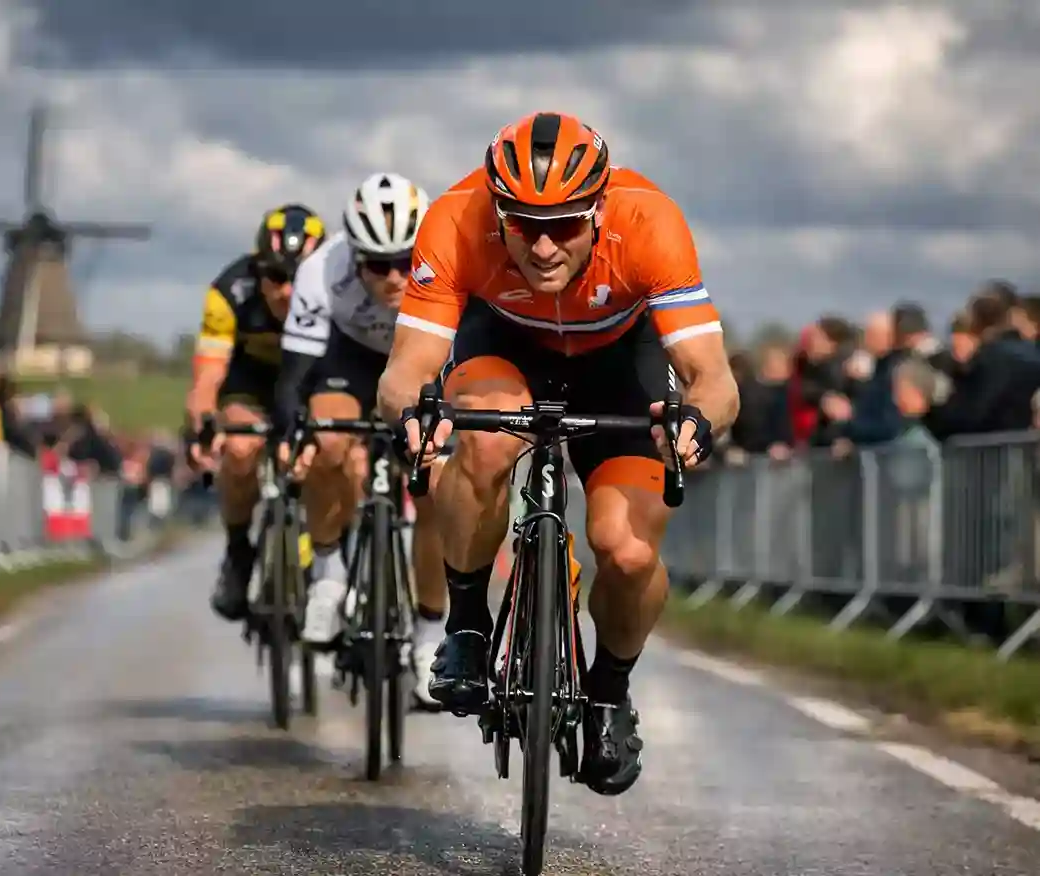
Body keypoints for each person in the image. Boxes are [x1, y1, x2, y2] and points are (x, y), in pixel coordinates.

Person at [377, 111, 738, 795]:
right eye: (523, 225)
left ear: (600, 208)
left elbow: (714, 377)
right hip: (504, 343)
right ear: (497, 211)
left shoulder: (650, 220)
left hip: (617, 360)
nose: (543, 247)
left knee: (627, 551)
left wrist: (697, 420)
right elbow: (404, 370)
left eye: (566, 225)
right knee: (482, 440)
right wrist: (413, 417)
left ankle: (608, 692)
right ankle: (467, 626)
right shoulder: (455, 218)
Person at [271, 173, 449, 708]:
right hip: (348, 359)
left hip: (422, 354)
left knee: (438, 485)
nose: (394, 277)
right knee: (326, 440)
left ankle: (428, 638)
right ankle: (327, 573)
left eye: (404, 261)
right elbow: (294, 376)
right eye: (378, 265)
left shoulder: (448, 265)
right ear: (353, 255)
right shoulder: (320, 271)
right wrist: (290, 434)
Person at [187, 204, 327, 620]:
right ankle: (237, 551)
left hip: (310, 381)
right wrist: (202, 426)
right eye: (275, 277)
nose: (285, 291)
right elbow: (208, 376)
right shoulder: (230, 292)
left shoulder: (337, 287)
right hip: (250, 383)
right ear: (256, 269)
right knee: (241, 448)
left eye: (297, 277)